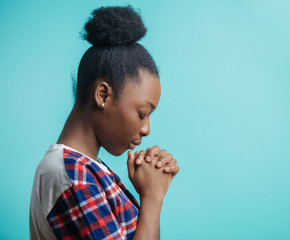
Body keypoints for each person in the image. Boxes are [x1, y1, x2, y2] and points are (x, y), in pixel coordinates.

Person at [29, 6, 180, 240]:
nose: (146, 129)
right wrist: (152, 196)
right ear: (103, 95)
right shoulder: (72, 175)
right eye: (142, 113)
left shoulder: (87, 169)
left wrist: (149, 185)